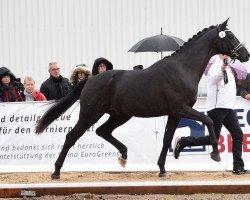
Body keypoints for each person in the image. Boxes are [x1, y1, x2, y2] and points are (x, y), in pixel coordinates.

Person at [173, 54, 247, 175]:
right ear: (221, 55)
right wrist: (221, 70)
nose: (228, 54)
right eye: (226, 53)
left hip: (228, 108)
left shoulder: (228, 67)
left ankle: (238, 167)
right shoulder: (216, 67)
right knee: (214, 139)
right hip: (216, 108)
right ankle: (184, 141)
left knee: (238, 134)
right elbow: (214, 79)